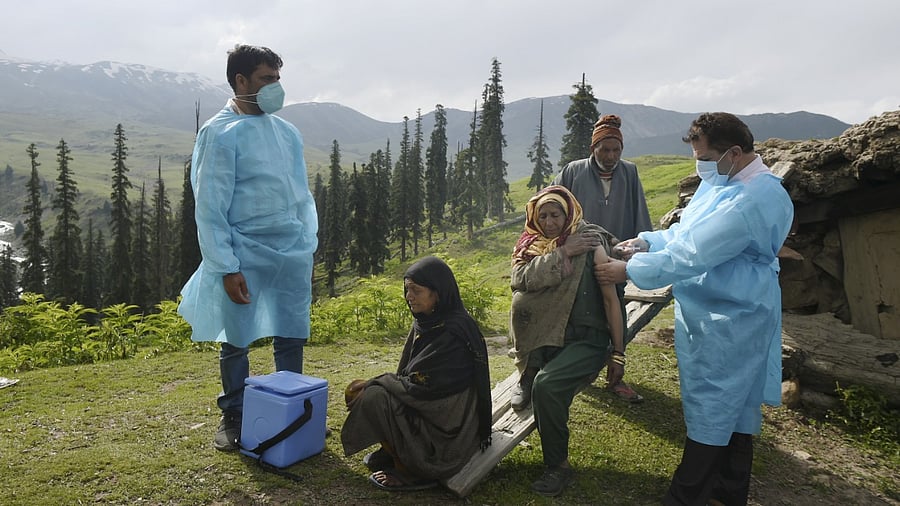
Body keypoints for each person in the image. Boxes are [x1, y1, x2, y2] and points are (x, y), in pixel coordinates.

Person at [595, 112, 793, 505]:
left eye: (704, 156)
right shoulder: (725, 181)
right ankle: (728, 490)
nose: (699, 166)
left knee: (715, 404)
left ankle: (685, 495)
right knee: (733, 407)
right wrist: (648, 242)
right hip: (715, 308)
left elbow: (693, 254)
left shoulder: (754, 198)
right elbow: (686, 232)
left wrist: (629, 269)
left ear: (734, 152)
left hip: (733, 314)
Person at [177, 44, 318, 452]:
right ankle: (234, 414)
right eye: (265, 80)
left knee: (291, 334)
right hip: (244, 250)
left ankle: (292, 409)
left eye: (277, 79)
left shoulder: (286, 132)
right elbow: (210, 207)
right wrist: (226, 265)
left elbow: (301, 196)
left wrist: (306, 245)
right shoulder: (219, 134)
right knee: (236, 340)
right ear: (240, 81)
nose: (275, 88)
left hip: (290, 248)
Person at [508, 185, 625, 497]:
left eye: (555, 214)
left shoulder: (590, 243)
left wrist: (618, 354)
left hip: (588, 341)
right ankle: (527, 375)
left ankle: (557, 466)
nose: (548, 221)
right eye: (542, 215)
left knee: (547, 387)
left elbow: (611, 301)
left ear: (569, 212)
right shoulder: (532, 245)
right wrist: (562, 252)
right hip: (550, 339)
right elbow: (518, 279)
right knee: (541, 380)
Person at [341, 256, 492, 492]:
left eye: (416, 290)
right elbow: (408, 375)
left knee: (370, 396)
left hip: (446, 431)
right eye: (407, 289)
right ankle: (398, 454)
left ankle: (413, 471)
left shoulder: (453, 333)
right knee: (360, 390)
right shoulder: (427, 322)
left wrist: (377, 383)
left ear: (438, 293)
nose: (408, 296)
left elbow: (424, 390)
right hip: (427, 408)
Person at [552, 114, 652, 403]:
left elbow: (639, 215)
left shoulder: (629, 173)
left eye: (615, 150)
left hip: (615, 259)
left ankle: (615, 373)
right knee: (579, 314)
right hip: (580, 259)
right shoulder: (573, 171)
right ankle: (574, 369)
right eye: (604, 150)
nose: (610, 156)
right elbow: (553, 204)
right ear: (592, 148)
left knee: (614, 312)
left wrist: (635, 248)